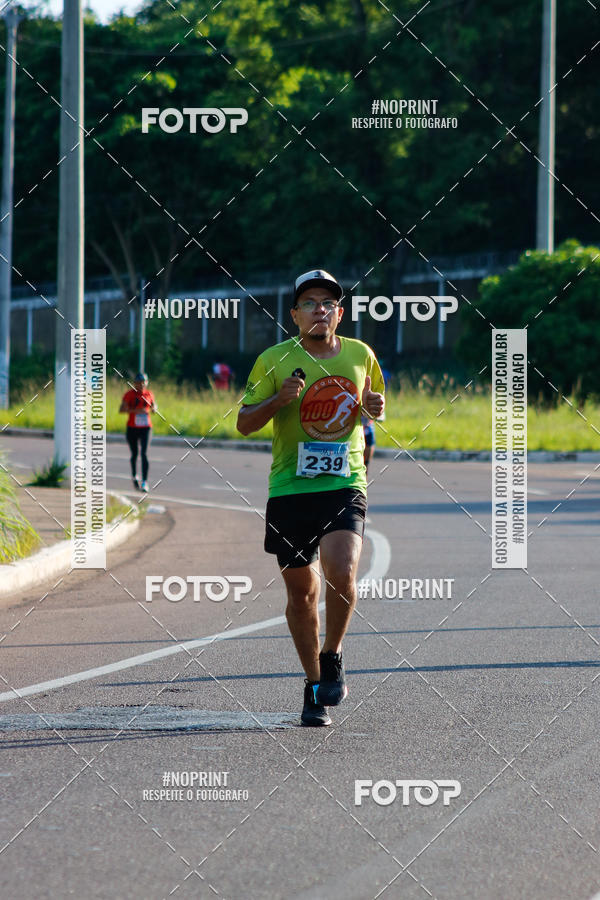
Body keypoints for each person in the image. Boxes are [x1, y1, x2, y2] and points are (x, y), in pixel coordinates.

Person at [237, 269, 385, 727]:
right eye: (310, 303)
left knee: (342, 571)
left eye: (328, 303)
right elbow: (244, 423)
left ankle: (333, 655)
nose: (319, 310)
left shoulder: (361, 354)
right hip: (290, 490)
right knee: (302, 595)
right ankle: (313, 682)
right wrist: (278, 401)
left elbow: (370, 402)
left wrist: (374, 408)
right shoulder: (273, 359)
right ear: (295, 314)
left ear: (339, 314)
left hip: (344, 483)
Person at [119, 372, 157, 492]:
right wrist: (136, 411)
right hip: (132, 428)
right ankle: (134, 475)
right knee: (135, 453)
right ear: (134, 383)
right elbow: (121, 409)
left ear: (146, 383)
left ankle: (145, 481)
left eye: (143, 382)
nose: (141, 385)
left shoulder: (149, 394)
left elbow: (154, 406)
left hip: (146, 427)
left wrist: (154, 408)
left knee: (144, 453)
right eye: (138, 382)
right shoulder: (129, 395)